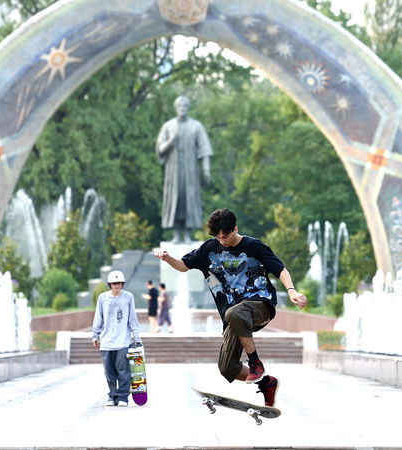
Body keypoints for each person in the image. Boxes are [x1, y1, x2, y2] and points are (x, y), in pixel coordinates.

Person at [153, 208, 307, 407]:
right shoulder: (209, 248)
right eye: (217, 237)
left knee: (235, 312)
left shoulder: (254, 246)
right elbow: (184, 265)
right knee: (227, 368)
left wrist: (292, 291)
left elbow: (280, 269)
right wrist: (168, 259)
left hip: (260, 304)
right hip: (234, 316)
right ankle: (267, 383)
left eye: (225, 236)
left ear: (235, 229)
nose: (222, 241)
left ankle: (255, 363)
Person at [155, 95, 213, 243]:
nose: (182, 109)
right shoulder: (168, 126)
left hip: (190, 170)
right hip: (172, 170)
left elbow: (205, 149)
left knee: (189, 199)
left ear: (188, 108)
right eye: (180, 106)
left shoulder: (196, 126)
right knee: (175, 199)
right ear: (175, 108)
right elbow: (160, 148)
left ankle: (187, 235)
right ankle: (176, 234)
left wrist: (206, 170)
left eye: (185, 106)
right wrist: (170, 141)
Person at [91, 270, 142, 407]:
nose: (116, 285)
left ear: (122, 283)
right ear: (110, 284)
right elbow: (98, 317)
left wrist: (137, 337)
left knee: (123, 370)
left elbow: (132, 318)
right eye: (114, 283)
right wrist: (95, 335)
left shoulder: (128, 297)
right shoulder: (103, 298)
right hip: (106, 341)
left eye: (119, 283)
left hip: (123, 341)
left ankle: (123, 397)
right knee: (109, 371)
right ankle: (112, 396)